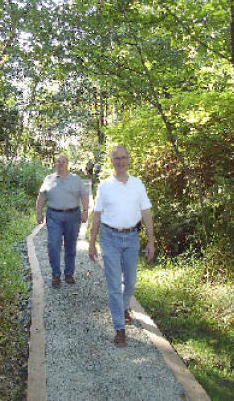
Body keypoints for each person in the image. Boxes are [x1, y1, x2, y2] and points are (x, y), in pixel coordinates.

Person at [88, 146, 155, 347]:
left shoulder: (138, 185)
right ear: (111, 161)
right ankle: (119, 328)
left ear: (129, 160)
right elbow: (97, 215)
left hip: (132, 237)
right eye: (116, 158)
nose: (120, 161)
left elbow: (146, 213)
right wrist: (91, 243)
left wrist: (151, 241)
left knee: (131, 282)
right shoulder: (105, 186)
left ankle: (125, 307)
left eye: (123, 157)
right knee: (114, 285)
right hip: (109, 238)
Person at [36, 154, 89, 287]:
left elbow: (84, 195)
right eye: (58, 162)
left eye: (63, 162)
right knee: (53, 245)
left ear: (67, 164)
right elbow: (41, 197)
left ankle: (69, 273)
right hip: (54, 216)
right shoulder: (49, 179)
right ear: (55, 164)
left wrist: (85, 211)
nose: (60, 164)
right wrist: (39, 213)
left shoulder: (76, 179)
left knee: (70, 245)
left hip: (73, 216)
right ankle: (56, 275)